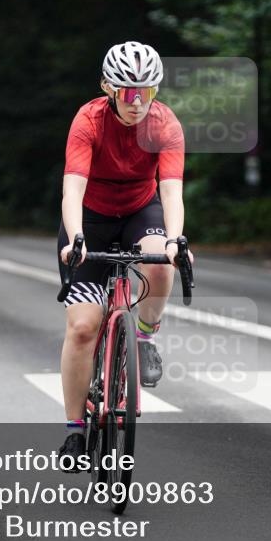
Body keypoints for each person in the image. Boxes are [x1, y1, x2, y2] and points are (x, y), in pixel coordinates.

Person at [56, 41, 192, 468]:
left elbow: (171, 191)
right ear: (108, 89)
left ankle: (145, 336)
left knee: (161, 261)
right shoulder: (88, 120)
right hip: (90, 216)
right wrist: (76, 238)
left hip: (139, 210)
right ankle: (75, 430)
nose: (138, 102)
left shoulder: (165, 124)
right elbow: (72, 189)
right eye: (129, 92)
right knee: (83, 327)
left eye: (146, 92)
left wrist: (175, 240)